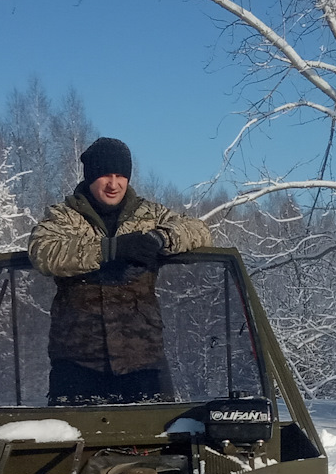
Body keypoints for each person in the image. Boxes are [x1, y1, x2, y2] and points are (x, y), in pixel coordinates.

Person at [29, 137, 213, 405]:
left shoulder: (151, 215)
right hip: (77, 363)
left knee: (160, 441)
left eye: (120, 175)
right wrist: (110, 250)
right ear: (91, 176)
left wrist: (159, 239)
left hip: (144, 360)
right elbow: (43, 252)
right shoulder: (64, 217)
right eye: (105, 175)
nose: (113, 184)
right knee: (71, 443)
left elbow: (200, 231)